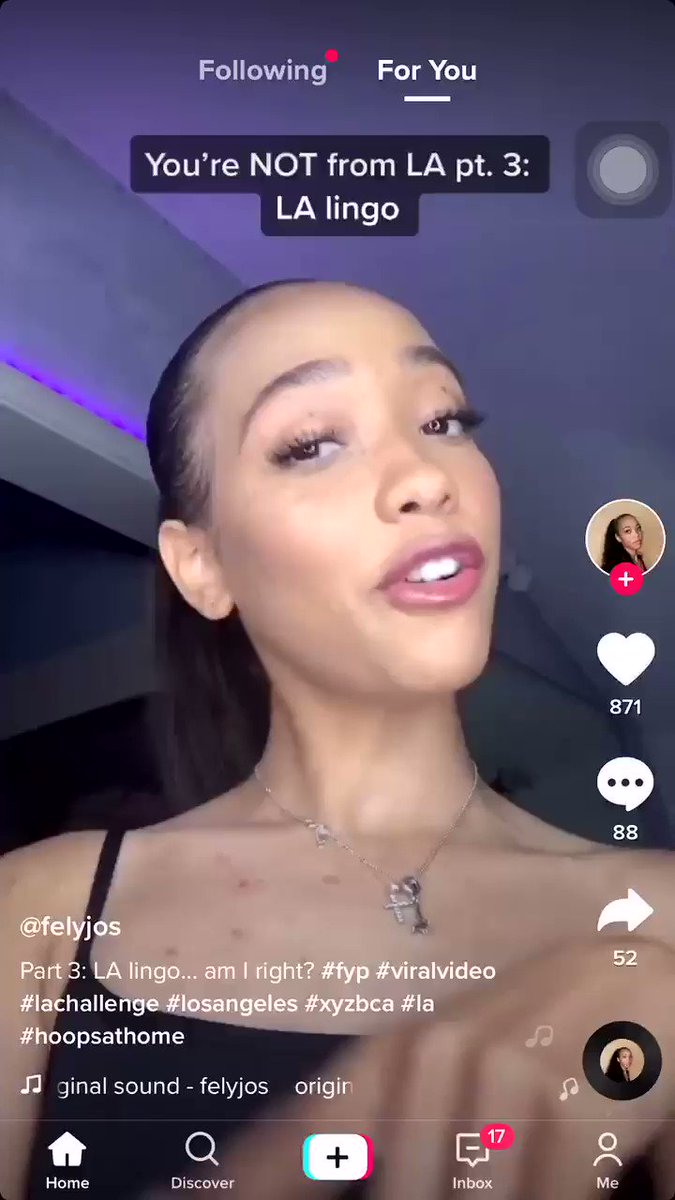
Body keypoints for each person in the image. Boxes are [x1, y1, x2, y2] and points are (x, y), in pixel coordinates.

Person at [1, 280, 674, 1200]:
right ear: (203, 567)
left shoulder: (659, 922)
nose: (426, 477)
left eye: (442, 420)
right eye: (311, 443)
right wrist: (343, 1128)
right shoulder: (37, 911)